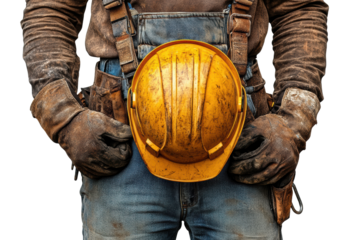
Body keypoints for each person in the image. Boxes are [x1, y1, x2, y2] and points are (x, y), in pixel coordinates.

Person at [21, 0, 329, 239]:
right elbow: (50, 10)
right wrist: (64, 118)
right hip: (121, 138)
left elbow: (299, 9)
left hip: (241, 139)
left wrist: (293, 121)